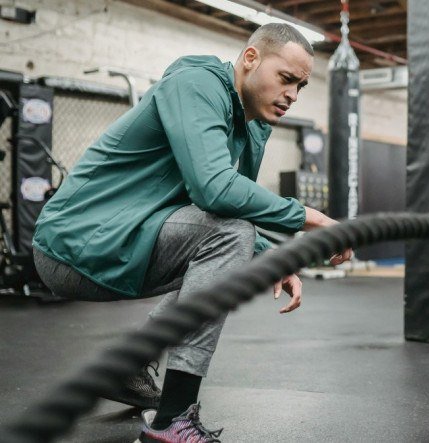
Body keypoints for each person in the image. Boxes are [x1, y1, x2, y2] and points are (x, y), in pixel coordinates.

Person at [32, 23, 351, 442]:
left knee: (230, 239)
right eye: (286, 78)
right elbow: (214, 190)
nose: (293, 94)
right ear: (251, 58)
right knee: (231, 235)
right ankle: (172, 420)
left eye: (302, 86)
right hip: (73, 244)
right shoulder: (197, 84)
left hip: (124, 241)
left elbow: (218, 213)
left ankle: (130, 366)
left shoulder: (250, 127)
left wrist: (273, 257)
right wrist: (312, 217)